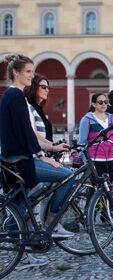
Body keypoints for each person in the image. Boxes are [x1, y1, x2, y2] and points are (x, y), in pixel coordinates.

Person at [0, 54, 75, 270]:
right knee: (66, 175)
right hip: (22, 161)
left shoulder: (10, 95)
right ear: (16, 72)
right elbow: (26, 132)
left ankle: (20, 256)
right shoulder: (16, 96)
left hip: (13, 160)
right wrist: (44, 158)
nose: (31, 77)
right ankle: (52, 223)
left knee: (19, 206)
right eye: (28, 72)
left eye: (32, 72)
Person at [78, 93, 113, 180]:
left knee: (111, 189)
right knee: (95, 190)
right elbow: (81, 143)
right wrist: (86, 162)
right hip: (95, 160)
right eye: (100, 102)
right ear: (93, 104)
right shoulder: (86, 120)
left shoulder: (112, 119)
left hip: (111, 159)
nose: (103, 104)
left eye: (105, 102)